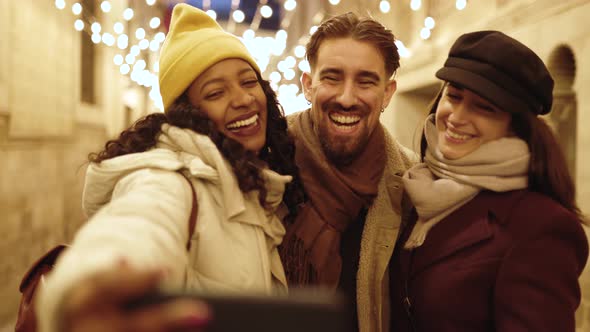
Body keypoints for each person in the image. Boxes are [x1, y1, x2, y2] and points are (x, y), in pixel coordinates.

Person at [35, 4, 305, 332]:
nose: (243, 99)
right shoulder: (171, 178)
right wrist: (86, 284)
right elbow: (140, 224)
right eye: (216, 92)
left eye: (248, 82)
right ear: (188, 112)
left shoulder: (251, 182)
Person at [389, 30, 589, 332]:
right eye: (453, 96)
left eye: (484, 107)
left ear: (514, 125)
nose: (456, 116)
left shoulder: (542, 226)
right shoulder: (419, 190)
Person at [278, 12, 416, 332]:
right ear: (308, 85)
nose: (346, 97)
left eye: (366, 81)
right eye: (332, 77)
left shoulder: (412, 185)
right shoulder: (261, 162)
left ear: (387, 94)